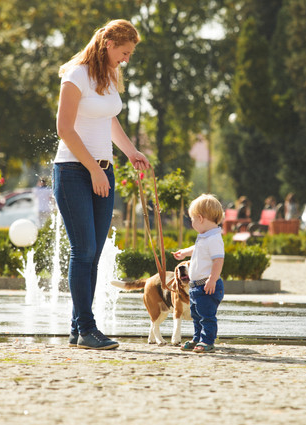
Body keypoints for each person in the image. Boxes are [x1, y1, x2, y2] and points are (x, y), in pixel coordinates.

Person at [54, 19, 150, 350]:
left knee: (93, 256)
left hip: (102, 171)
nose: (126, 59)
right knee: (84, 251)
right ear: (109, 45)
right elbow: (64, 128)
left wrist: (131, 151)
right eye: (124, 52)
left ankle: (76, 328)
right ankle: (86, 328)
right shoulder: (76, 74)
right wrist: (93, 169)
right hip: (73, 172)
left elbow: (108, 119)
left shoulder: (108, 76)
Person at [172, 194, 225, 353]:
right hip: (197, 287)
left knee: (206, 316)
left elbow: (218, 260)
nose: (192, 222)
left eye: (192, 219)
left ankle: (207, 341)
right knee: (196, 315)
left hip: (207, 286)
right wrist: (184, 253)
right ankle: (197, 338)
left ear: (200, 218)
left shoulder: (214, 238)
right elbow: (197, 249)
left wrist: (212, 279)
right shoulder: (204, 237)